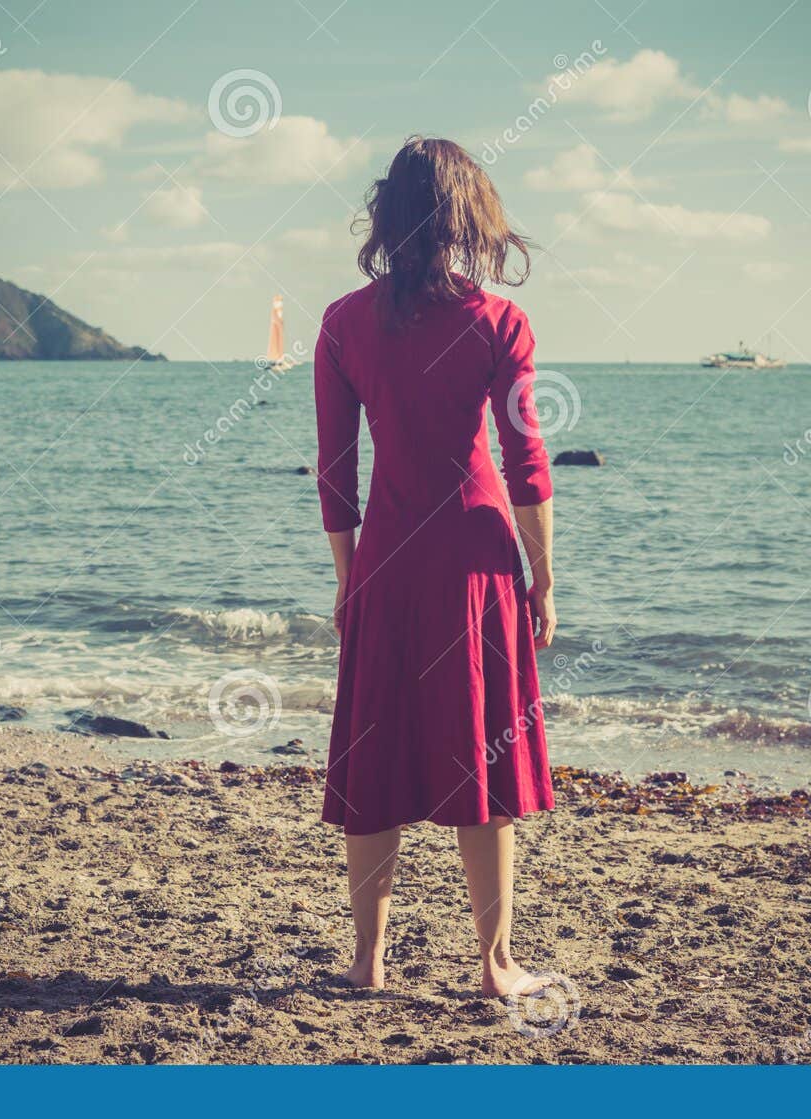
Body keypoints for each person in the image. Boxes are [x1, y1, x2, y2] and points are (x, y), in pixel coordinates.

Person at [313, 136, 557, 996]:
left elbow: (335, 473)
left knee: (375, 760)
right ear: (468, 216)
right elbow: (527, 462)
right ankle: (494, 965)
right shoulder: (499, 323)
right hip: (479, 565)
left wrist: (348, 577)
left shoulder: (344, 322)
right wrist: (545, 576)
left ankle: (367, 961)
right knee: (482, 764)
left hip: (386, 560)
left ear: (388, 215)